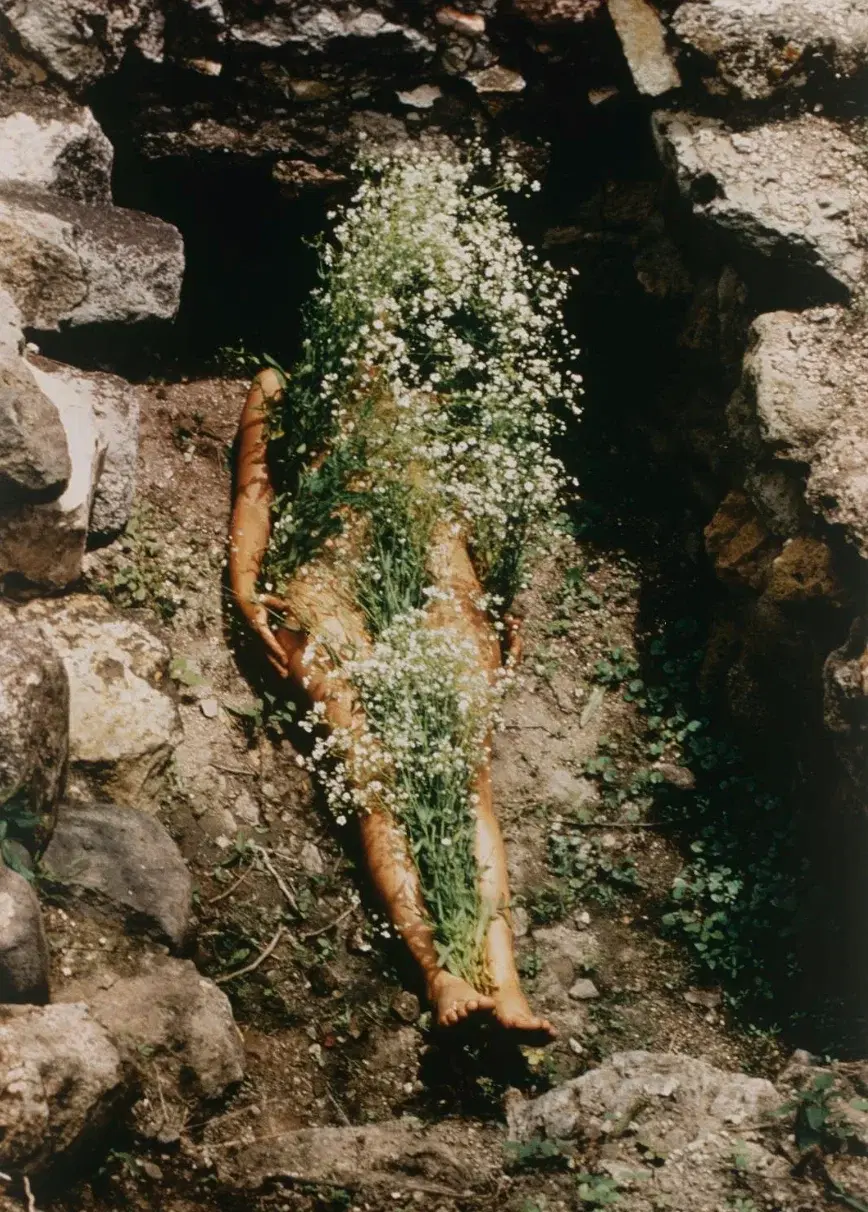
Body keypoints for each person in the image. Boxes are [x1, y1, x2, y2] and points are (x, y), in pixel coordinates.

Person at [229, 367, 557, 1045]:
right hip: (328, 583)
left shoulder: (443, 379)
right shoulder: (282, 385)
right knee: (374, 771)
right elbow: (255, 492)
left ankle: (506, 979)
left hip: (442, 577)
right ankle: (442, 973)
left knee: (466, 777)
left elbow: (479, 501)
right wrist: (244, 582)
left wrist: (499, 595)